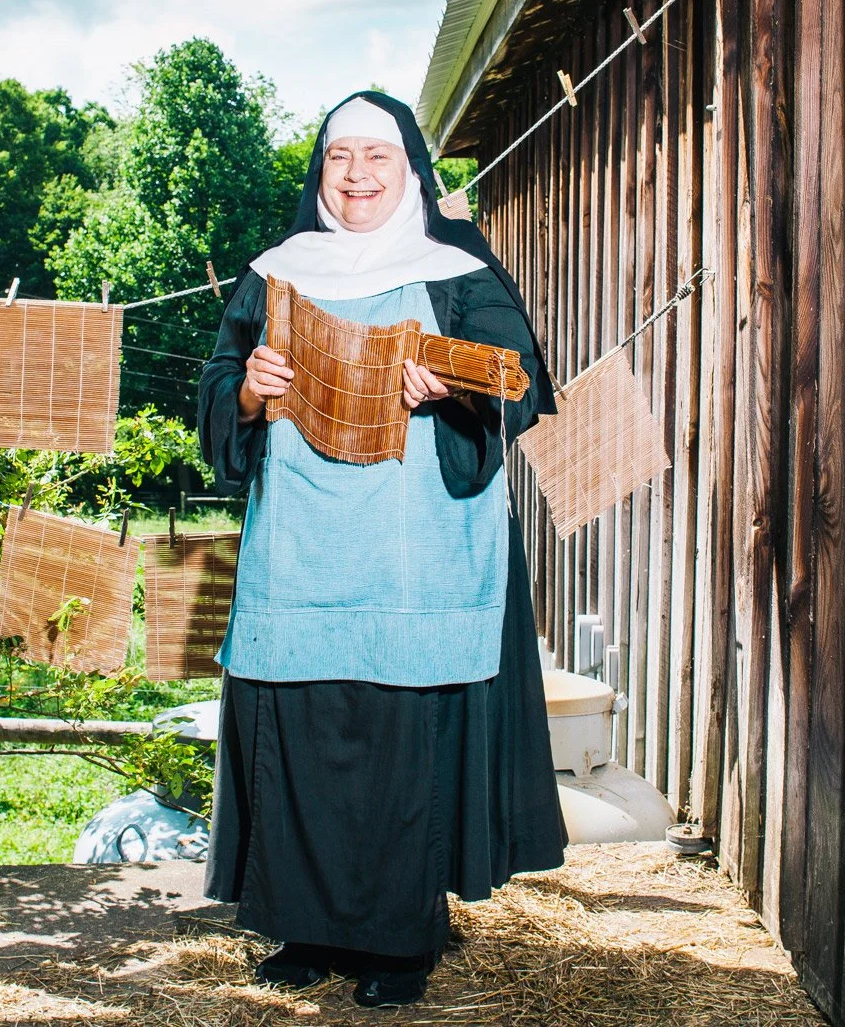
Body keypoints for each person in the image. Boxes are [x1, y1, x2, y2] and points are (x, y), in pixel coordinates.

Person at [197, 91, 566, 1009]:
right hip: (301, 548)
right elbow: (218, 383)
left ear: (411, 172)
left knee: (403, 747)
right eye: (339, 158)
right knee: (302, 733)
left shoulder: (456, 270)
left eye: (377, 158)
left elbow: (517, 382)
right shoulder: (276, 273)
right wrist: (249, 390)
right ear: (319, 172)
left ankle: (399, 942)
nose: (357, 175)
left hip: (415, 552)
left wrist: (452, 384)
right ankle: (304, 932)